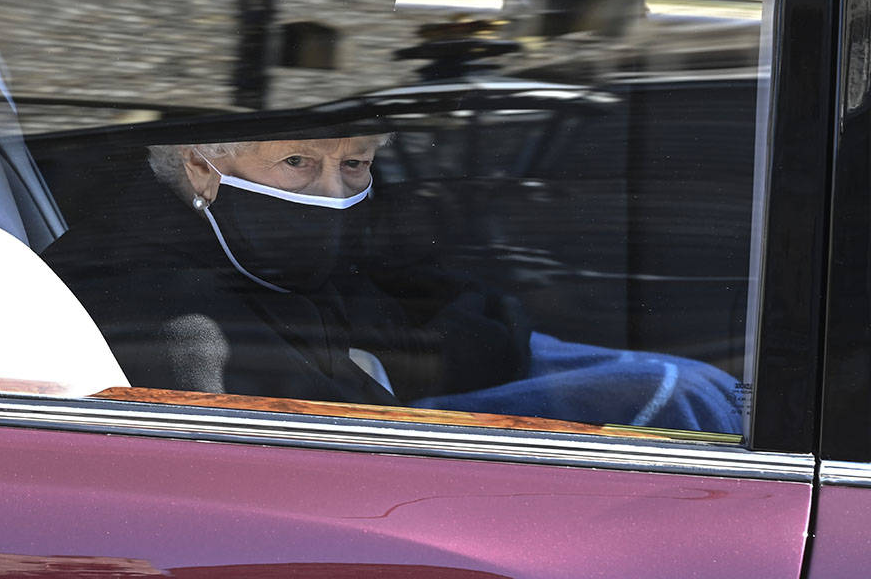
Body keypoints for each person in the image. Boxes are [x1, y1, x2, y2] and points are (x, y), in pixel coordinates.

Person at [41, 133, 743, 433]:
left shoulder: (272, 226)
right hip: (368, 453)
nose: (333, 189)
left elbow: (424, 296)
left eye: (356, 164)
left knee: (704, 388)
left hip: (402, 387)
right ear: (200, 167)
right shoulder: (169, 315)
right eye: (296, 162)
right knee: (678, 397)